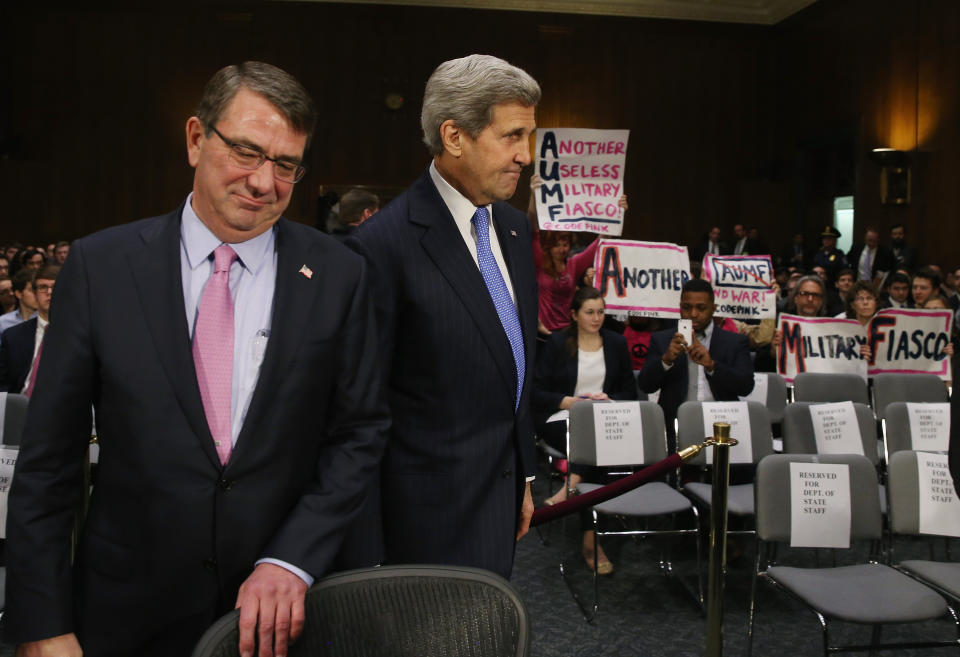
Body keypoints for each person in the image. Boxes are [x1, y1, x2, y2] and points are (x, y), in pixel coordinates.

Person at [5, 62, 389, 657]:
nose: (263, 181)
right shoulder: (102, 268)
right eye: (245, 151)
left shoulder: (340, 275)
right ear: (194, 139)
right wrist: (41, 623)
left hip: (281, 621)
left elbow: (359, 433)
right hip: (128, 614)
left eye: (285, 164)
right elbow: (49, 461)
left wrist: (293, 558)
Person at [347, 54, 539, 579]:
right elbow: (362, 413)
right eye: (512, 136)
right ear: (454, 137)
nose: (526, 156)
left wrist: (522, 475)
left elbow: (513, 366)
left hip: (501, 505)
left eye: (529, 137)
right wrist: (367, 553)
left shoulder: (516, 231)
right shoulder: (380, 247)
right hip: (424, 528)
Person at [532, 286, 637, 572]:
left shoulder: (615, 343)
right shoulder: (556, 343)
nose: (596, 318)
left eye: (601, 312)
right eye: (589, 312)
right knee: (596, 452)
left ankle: (574, 484)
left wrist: (610, 399)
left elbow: (630, 390)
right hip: (562, 418)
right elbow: (536, 391)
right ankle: (592, 541)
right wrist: (571, 402)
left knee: (596, 449)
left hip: (605, 421)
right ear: (574, 315)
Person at [637, 279, 754, 447]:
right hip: (674, 428)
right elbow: (645, 385)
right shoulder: (662, 340)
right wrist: (666, 360)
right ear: (680, 307)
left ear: (713, 309)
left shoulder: (735, 342)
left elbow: (745, 386)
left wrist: (712, 366)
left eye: (701, 308)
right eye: (686, 307)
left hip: (722, 426)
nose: (693, 314)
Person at [0, 265, 58, 393]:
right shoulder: (12, 336)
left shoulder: (81, 334)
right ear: (35, 294)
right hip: (21, 405)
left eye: (55, 287)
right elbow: (2, 383)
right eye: (43, 287)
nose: (49, 292)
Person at [0, 268, 38, 335]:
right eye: (32, 290)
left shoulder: (48, 319)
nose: (37, 294)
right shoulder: (3, 322)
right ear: (19, 294)